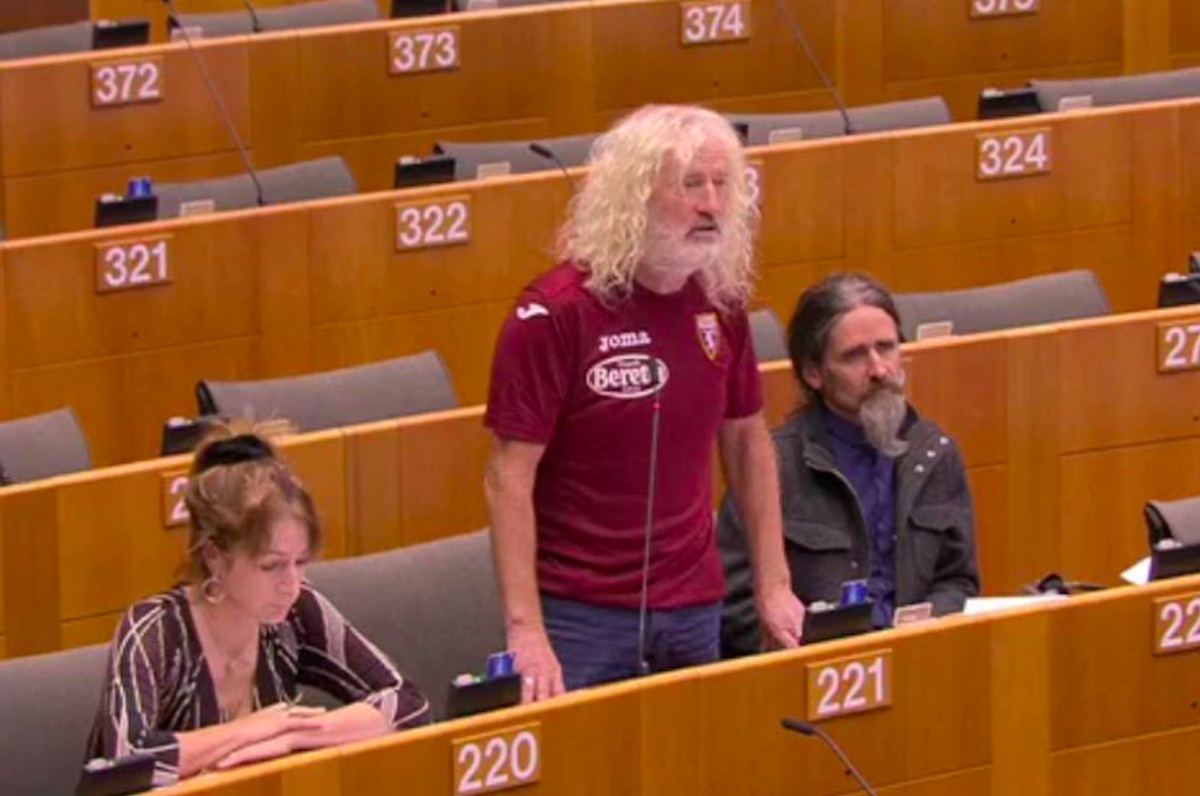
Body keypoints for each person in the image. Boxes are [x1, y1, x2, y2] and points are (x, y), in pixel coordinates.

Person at [484, 104, 804, 702]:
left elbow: (747, 443)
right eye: (691, 185)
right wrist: (525, 630)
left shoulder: (721, 305)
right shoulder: (555, 313)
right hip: (580, 611)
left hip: (693, 603)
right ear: (634, 197)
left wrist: (774, 583)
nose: (712, 204)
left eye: (723, 184)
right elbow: (508, 477)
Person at [86, 429, 429, 786]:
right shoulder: (153, 631)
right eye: (271, 565)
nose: (291, 584)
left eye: (300, 562)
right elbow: (126, 760)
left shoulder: (298, 611)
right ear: (214, 556)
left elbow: (408, 704)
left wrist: (295, 732)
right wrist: (251, 730)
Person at [718, 273, 980, 656]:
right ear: (814, 373)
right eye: (855, 355)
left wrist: (928, 625)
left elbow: (958, 581)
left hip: (920, 660)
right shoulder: (775, 468)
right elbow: (736, 606)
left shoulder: (935, 453)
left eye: (886, 348)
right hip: (815, 670)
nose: (879, 370)